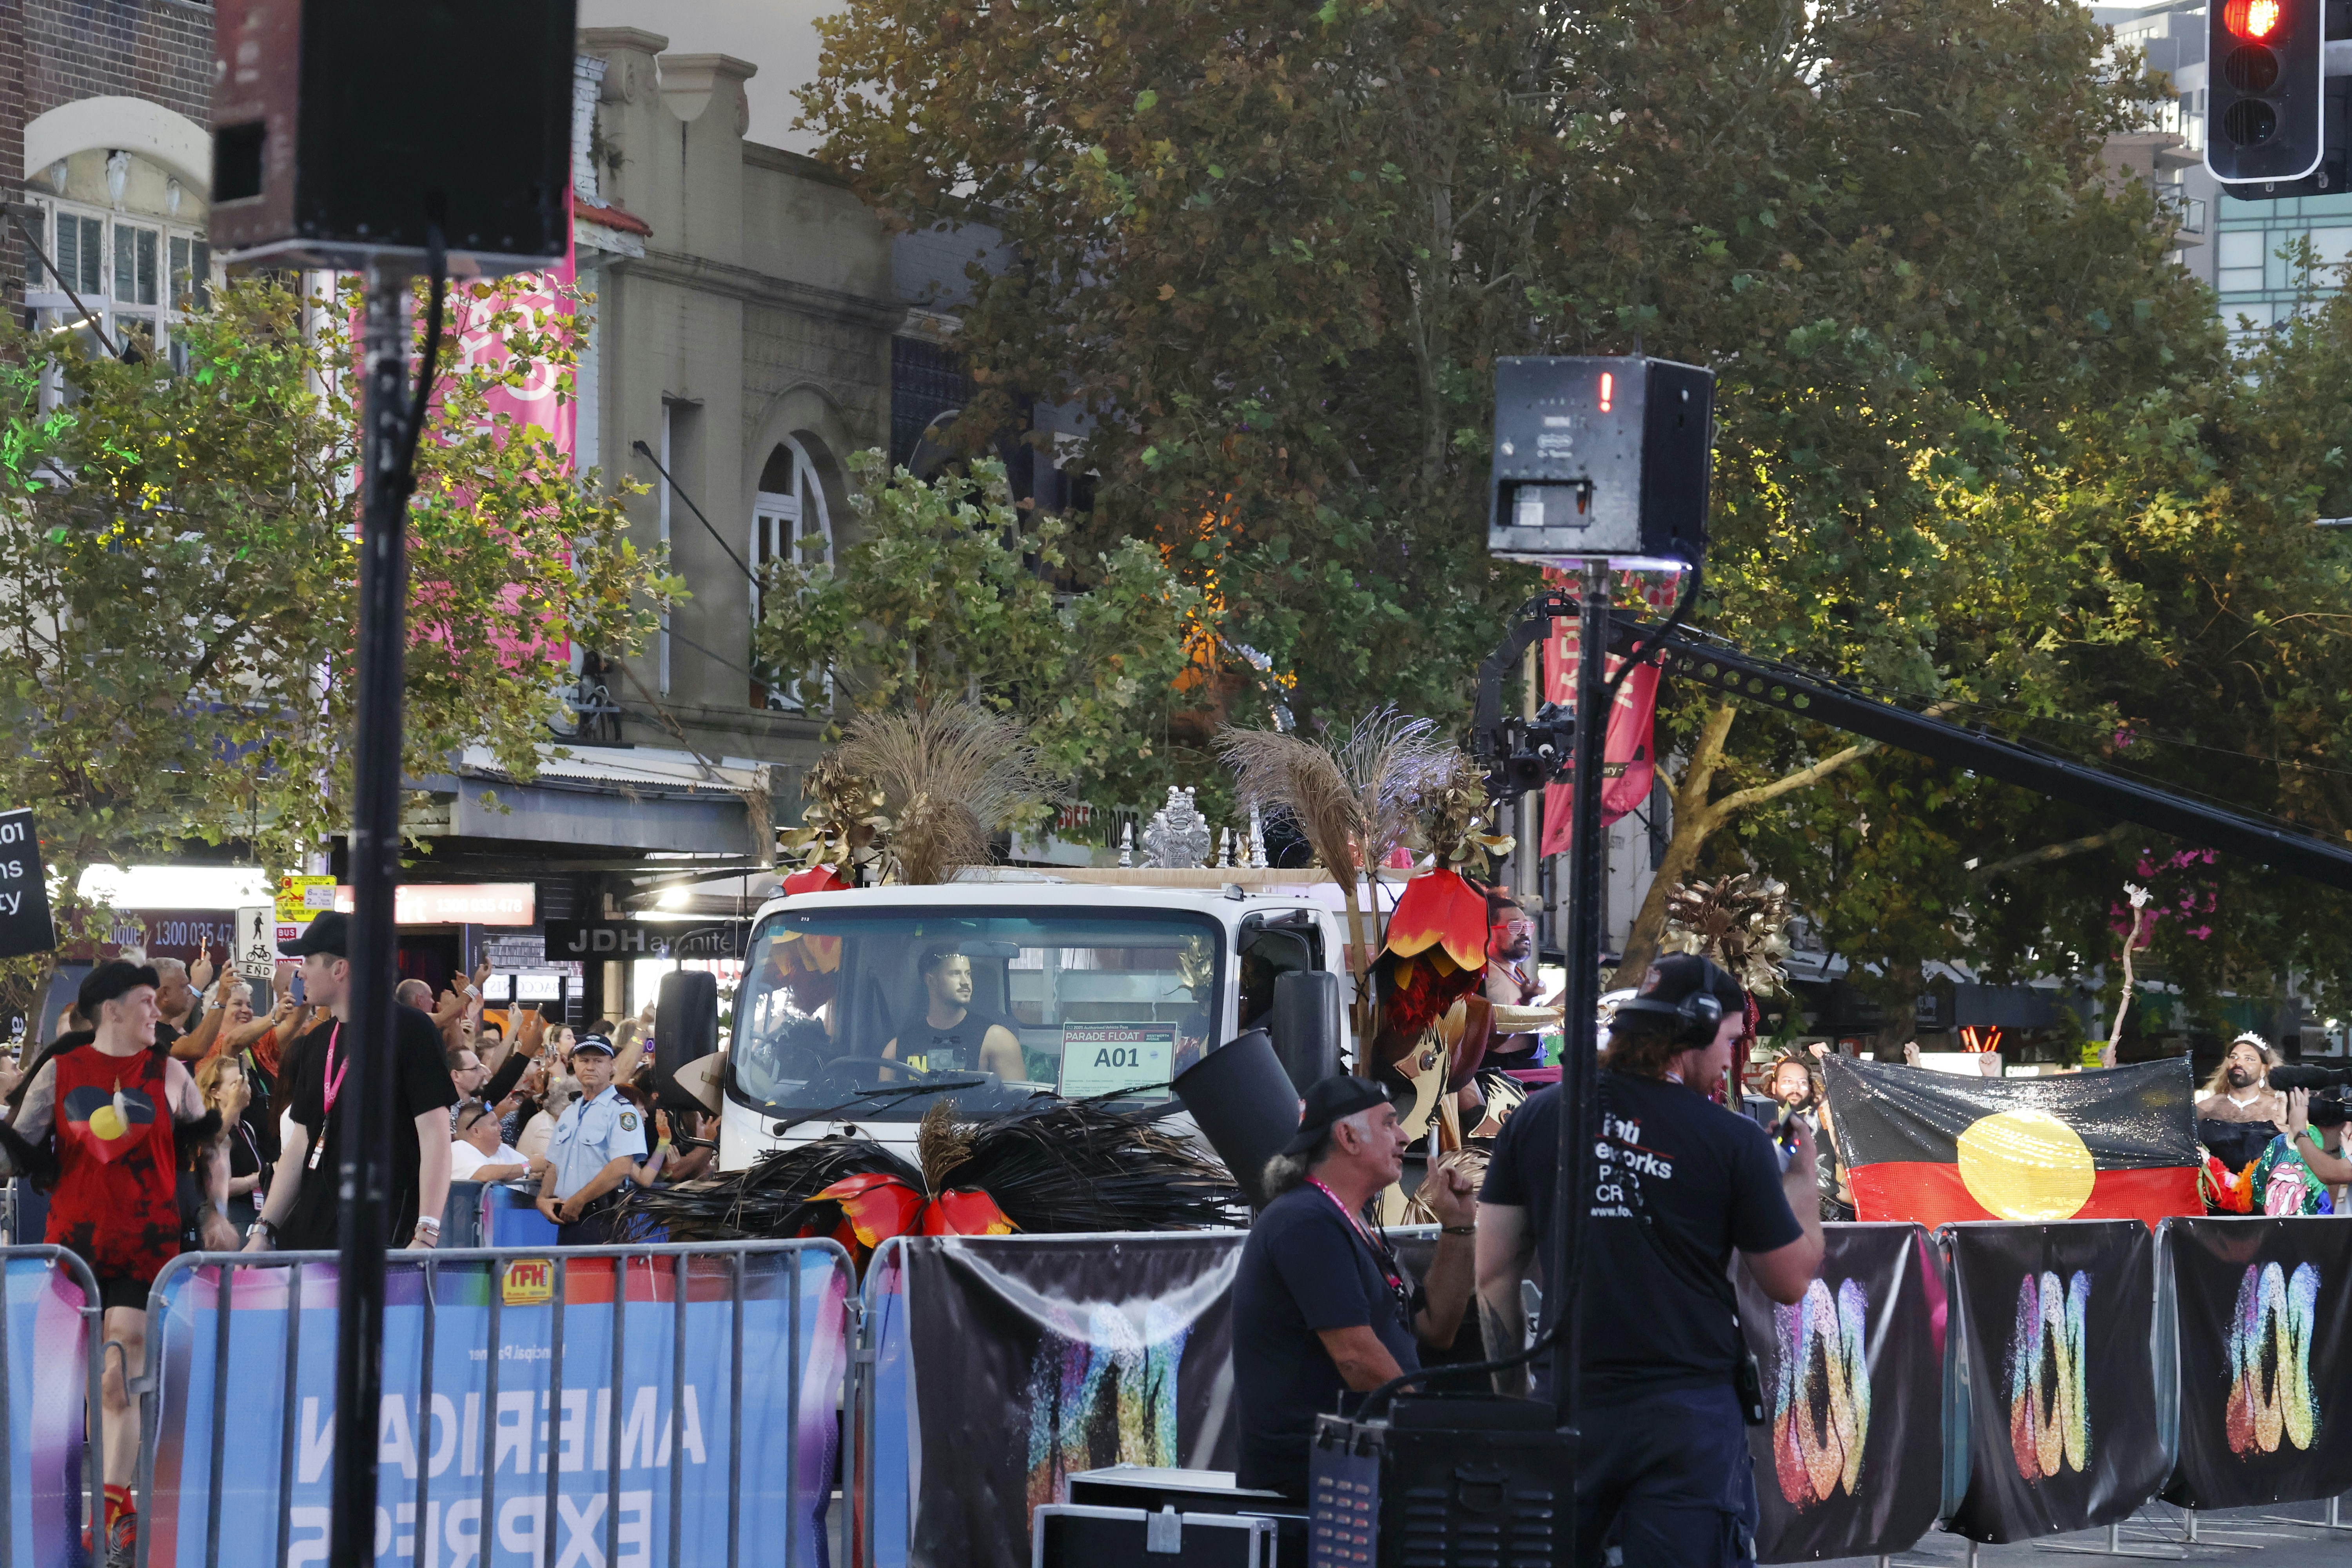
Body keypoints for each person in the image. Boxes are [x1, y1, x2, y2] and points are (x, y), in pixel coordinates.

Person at [1476, 953, 1824, 1568]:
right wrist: (1803, 1184)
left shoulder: (1538, 1118)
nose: (1729, 1059)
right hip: (1684, 1415)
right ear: (1691, 1035)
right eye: (1730, 1041)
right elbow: (1790, 1279)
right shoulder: (1732, 1139)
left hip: (1568, 1404)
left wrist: (1515, 1401)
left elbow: (1494, 1272)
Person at [0, 960, 235, 1566]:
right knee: (85, 1388)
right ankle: (105, 1501)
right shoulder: (60, 1071)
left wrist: (214, 1213)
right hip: (73, 1251)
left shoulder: (171, 1072)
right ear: (111, 1010)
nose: (158, 1013)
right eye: (146, 1002)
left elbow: (208, 1144)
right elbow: (16, 1151)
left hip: (147, 1247)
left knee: (117, 1375)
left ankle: (108, 1515)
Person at [1232, 1074, 1478, 1501]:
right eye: (1388, 1123)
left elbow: (1436, 1327)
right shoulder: (1306, 1220)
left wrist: (1458, 1226)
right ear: (1347, 1135)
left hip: (1351, 1472)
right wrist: (1430, 1434)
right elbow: (1354, 1354)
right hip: (1310, 1484)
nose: (1404, 1137)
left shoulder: (1352, 1221)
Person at [242, 911, 459, 1256]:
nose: (300, 973)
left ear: (340, 969)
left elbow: (435, 1134)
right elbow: (300, 1143)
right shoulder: (316, 1042)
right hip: (315, 1235)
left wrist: (426, 1234)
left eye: (309, 961)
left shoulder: (411, 1030)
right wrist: (263, 1231)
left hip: (386, 1232)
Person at [535, 1033, 648, 1244]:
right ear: (574, 1064)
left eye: (598, 1061)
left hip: (603, 1218)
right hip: (567, 1218)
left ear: (612, 1066)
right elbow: (554, 1164)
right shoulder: (570, 1112)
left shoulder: (622, 1111)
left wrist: (579, 1200)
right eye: (584, 1060)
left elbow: (622, 1166)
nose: (590, 1067)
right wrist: (543, 1197)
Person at [883, 946, 1025, 1078]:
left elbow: (1019, 1103)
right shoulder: (896, 1049)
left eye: (968, 974)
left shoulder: (998, 1041)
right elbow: (882, 1104)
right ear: (931, 981)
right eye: (955, 974)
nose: (966, 982)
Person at [194, 1053, 267, 1232]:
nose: (245, 1089)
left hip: (254, 1213)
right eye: (236, 1084)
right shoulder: (207, 1127)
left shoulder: (246, 1127)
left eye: (246, 1082)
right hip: (228, 1218)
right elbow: (219, 1186)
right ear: (215, 1092)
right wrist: (257, 1179)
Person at [2251, 1087, 2352, 1214]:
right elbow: (2338, 1201)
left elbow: (2330, 1174)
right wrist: (2331, 1143)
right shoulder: (2278, 1143)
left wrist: (2299, 1131)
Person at [1481, 894, 1548, 1073]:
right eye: (1515, 926)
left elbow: (1534, 1020)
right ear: (1490, 931)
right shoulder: (1489, 974)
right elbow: (1499, 1033)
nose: (1524, 932)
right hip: (1503, 1077)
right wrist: (1526, 1002)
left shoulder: (1513, 972)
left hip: (1524, 1073)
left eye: (1528, 926)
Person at [450, 1099, 530, 1183]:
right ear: (476, 1132)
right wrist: (528, 1167)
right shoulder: (458, 1149)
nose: (501, 1128)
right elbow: (484, 1174)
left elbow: (531, 1168)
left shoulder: (503, 1148)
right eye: (494, 1124)